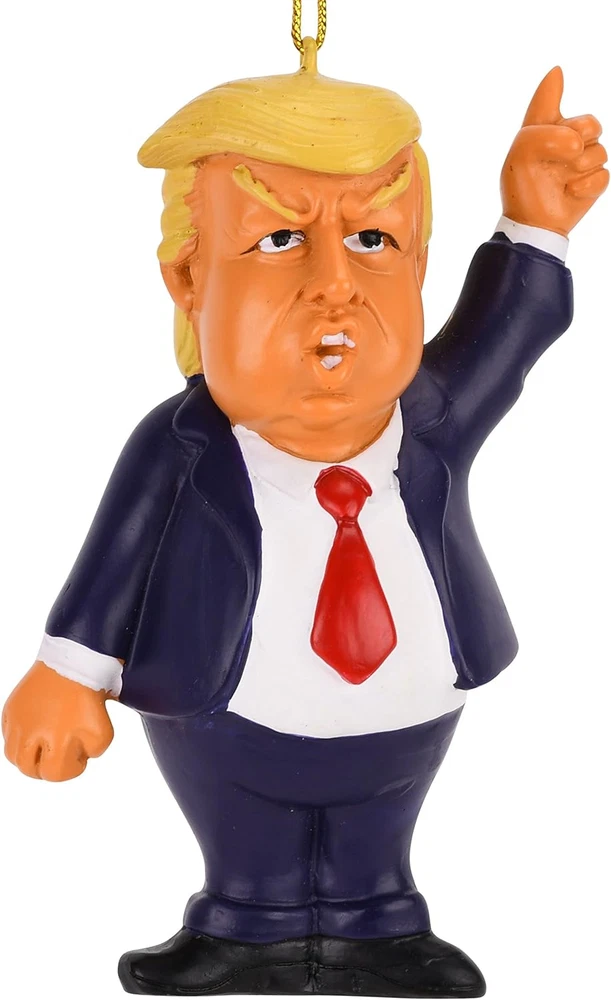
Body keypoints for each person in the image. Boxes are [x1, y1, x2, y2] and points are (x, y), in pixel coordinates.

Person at [2, 40, 608, 998]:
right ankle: (247, 924)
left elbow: (511, 331)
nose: (333, 281)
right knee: (246, 838)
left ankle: (378, 923)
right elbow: (111, 565)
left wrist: (534, 223)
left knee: (377, 834)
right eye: (279, 240)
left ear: (418, 266)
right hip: (223, 714)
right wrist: (66, 672)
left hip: (406, 717)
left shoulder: (433, 422)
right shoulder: (179, 444)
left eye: (373, 240)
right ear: (188, 280)